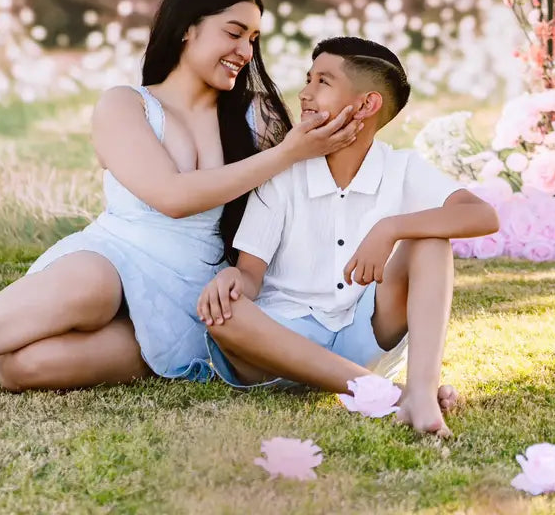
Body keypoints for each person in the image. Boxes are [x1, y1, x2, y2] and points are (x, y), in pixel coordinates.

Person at [0, 0, 362, 408]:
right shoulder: (126, 105)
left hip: (187, 296)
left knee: (27, 370)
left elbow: (302, 189)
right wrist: (288, 153)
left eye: (254, 38)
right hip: (113, 259)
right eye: (233, 33)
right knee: (94, 280)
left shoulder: (253, 120)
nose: (245, 51)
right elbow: (169, 196)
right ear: (188, 26)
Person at [197, 36, 500, 436]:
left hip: (363, 334)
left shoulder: (401, 168)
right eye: (308, 79)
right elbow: (250, 277)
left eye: (323, 81)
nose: (304, 93)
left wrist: (391, 227)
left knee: (429, 240)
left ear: (366, 104)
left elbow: (483, 215)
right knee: (226, 313)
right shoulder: (281, 171)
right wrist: (233, 278)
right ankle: (388, 394)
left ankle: (422, 392)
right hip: (280, 344)